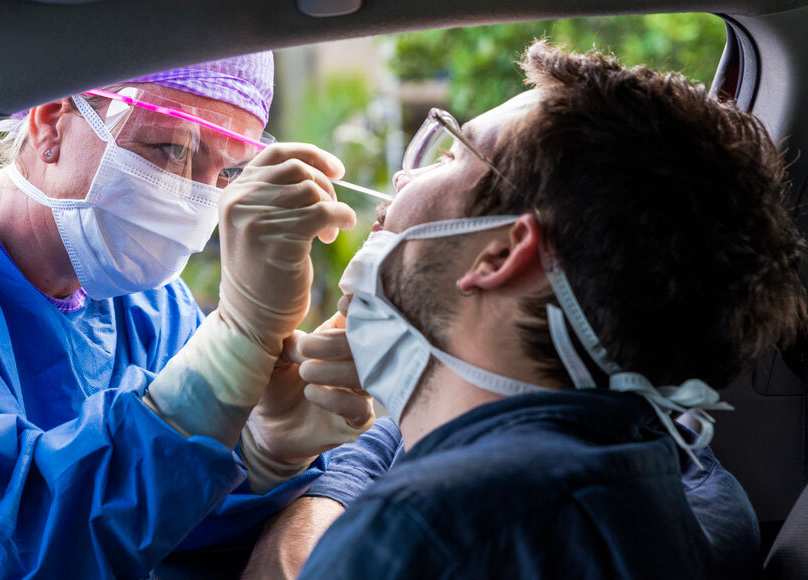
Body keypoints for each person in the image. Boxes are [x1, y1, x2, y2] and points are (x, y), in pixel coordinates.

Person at [0, 52, 377, 579]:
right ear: (49, 122)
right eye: (171, 149)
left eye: (223, 172)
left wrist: (261, 455)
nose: (198, 195)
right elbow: (1, 551)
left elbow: (148, 530)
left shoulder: (147, 305)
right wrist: (230, 351)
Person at [289, 41, 805, 579]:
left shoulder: (431, 530)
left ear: (502, 252)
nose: (402, 178)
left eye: (448, 156)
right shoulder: (653, 482)